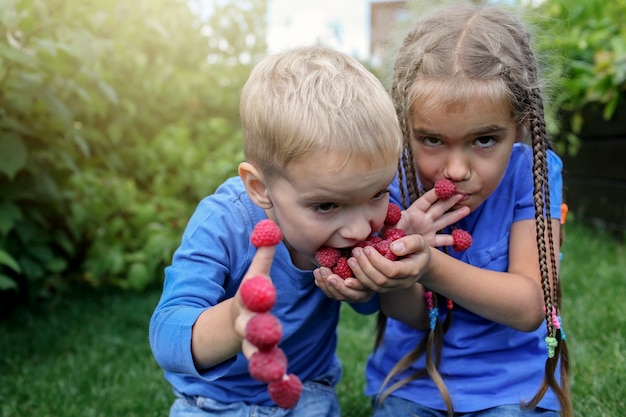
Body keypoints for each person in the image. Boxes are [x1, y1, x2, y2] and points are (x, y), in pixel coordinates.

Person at [149, 45, 465, 417]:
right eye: (326, 206)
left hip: (305, 394)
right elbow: (167, 336)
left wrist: (392, 273)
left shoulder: (359, 223)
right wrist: (235, 320)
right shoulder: (223, 223)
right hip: (209, 401)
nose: (360, 227)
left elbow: (405, 315)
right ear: (261, 188)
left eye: (378, 193)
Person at [313, 4, 572, 417]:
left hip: (513, 387)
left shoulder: (532, 175)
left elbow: (530, 308)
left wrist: (428, 264)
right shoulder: (394, 183)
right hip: (414, 382)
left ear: (520, 125)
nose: (454, 170)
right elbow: (411, 314)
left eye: (485, 140)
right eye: (431, 140)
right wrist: (391, 273)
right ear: (406, 128)